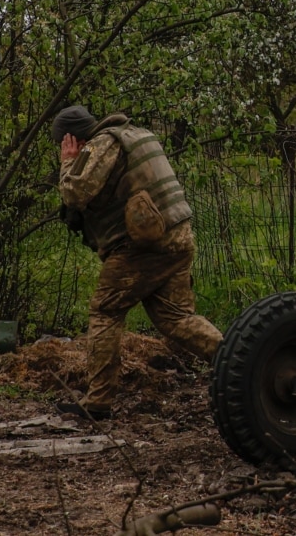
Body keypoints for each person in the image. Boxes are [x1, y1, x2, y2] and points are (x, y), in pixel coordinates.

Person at [52, 105, 223, 420]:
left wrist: (68, 162)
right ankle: (241, 360)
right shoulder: (134, 133)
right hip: (178, 237)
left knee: (105, 309)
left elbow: (74, 193)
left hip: (145, 247)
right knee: (175, 319)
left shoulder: (102, 144)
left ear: (70, 138)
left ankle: (98, 402)